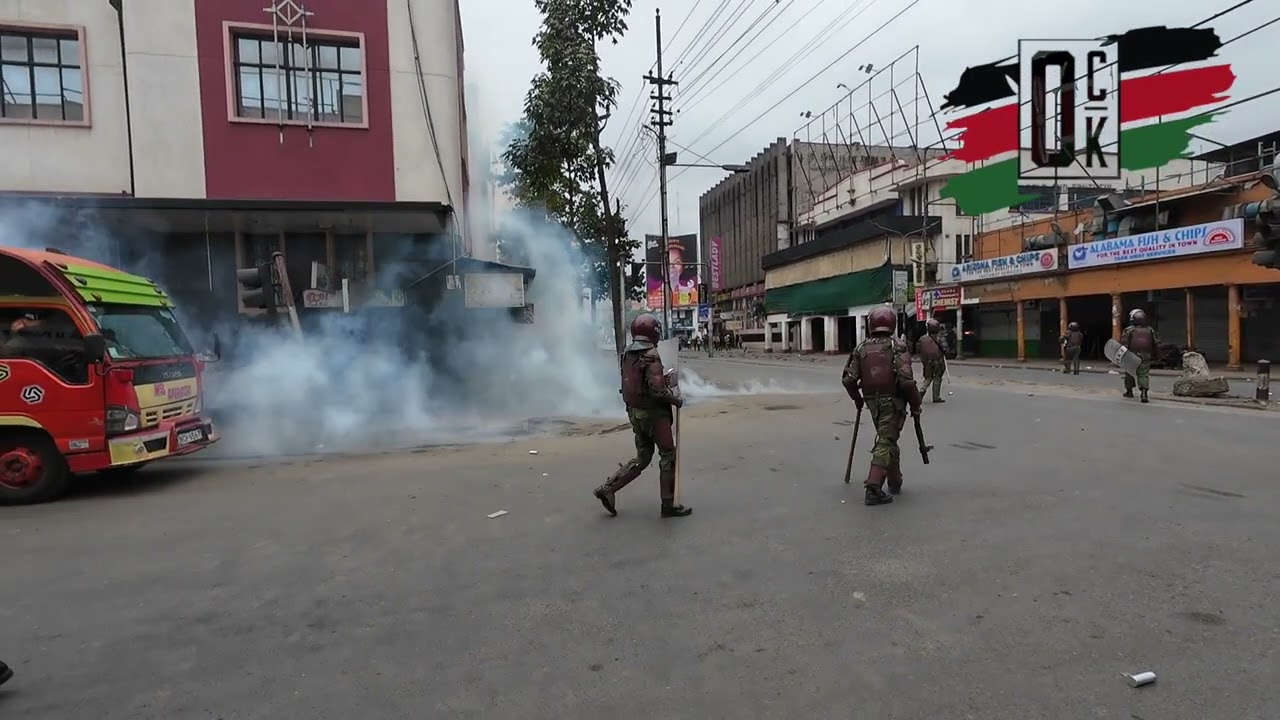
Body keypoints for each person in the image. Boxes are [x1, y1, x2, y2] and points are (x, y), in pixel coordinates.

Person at [593, 314, 693, 518]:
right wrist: (677, 400)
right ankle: (668, 505)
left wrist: (661, 380)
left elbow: (640, 383)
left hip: (635, 412)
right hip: (654, 414)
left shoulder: (627, 354)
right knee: (667, 455)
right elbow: (657, 392)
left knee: (644, 456)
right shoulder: (651, 354)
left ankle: (609, 488)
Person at [841, 306, 923, 506]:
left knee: (888, 438)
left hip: (872, 402)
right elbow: (906, 381)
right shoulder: (897, 347)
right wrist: (915, 404)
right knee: (886, 440)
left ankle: (894, 480)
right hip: (893, 402)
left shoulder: (861, 348)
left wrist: (858, 399)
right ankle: (873, 486)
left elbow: (848, 379)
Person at [1120, 309, 1160, 403]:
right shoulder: (1150, 330)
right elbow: (1156, 343)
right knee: (1144, 374)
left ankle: (1129, 391)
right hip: (1146, 355)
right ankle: (1144, 394)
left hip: (1132, 354)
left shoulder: (1129, 330)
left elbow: (1124, 344)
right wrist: (1157, 356)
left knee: (1129, 373)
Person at [914, 318, 948, 403]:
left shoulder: (922, 339)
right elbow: (946, 349)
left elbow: (918, 349)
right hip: (938, 362)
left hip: (926, 362)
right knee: (937, 378)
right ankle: (936, 397)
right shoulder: (940, 338)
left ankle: (922, 390)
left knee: (928, 378)